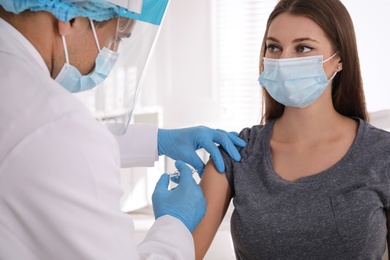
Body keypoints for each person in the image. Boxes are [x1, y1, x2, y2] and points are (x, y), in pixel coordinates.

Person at [0, 0, 246, 259]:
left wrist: (159, 140)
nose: (111, 53)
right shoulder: (57, 123)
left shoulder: (27, 102)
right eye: (116, 37)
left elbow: (38, 148)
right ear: (70, 18)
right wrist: (175, 223)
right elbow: (57, 140)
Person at [192, 0, 390, 259]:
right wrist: (173, 219)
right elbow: (182, 251)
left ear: (339, 59)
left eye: (303, 48)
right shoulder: (237, 152)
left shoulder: (381, 154)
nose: (283, 61)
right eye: (274, 47)